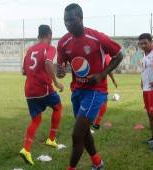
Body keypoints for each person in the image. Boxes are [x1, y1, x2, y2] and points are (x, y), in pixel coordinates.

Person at [56, 3, 123, 170]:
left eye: (71, 20)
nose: (67, 24)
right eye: (65, 21)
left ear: (80, 18)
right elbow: (61, 67)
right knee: (84, 132)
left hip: (96, 91)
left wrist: (101, 75)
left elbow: (119, 55)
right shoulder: (64, 42)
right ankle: (97, 163)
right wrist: (60, 71)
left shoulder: (97, 37)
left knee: (77, 134)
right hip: (77, 90)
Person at [19, 25, 64, 165]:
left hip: (29, 90)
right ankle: (51, 139)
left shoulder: (30, 50)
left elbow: (24, 72)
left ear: (39, 36)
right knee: (58, 107)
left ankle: (26, 150)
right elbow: (48, 63)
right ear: (49, 35)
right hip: (43, 88)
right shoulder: (50, 48)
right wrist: (56, 82)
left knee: (36, 119)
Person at [93, 54, 118, 130]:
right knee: (103, 102)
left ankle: (90, 121)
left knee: (92, 102)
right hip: (101, 84)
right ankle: (96, 123)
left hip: (90, 82)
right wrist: (113, 80)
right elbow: (109, 69)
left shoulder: (91, 53)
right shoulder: (105, 56)